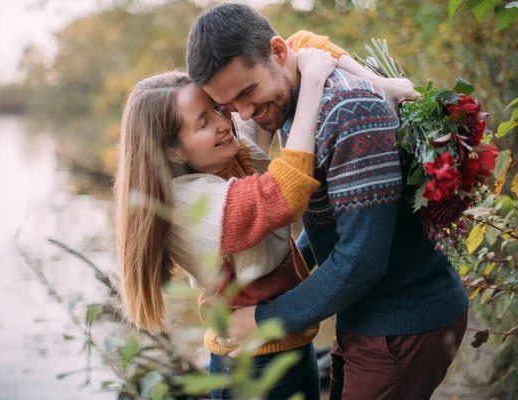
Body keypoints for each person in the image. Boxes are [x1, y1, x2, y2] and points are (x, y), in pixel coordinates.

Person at [186, 4, 469, 399]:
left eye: (247, 93)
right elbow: (336, 223)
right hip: (364, 313)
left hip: (402, 321)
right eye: (231, 106)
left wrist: (265, 319)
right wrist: (290, 280)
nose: (246, 113)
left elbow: (361, 261)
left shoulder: (348, 112)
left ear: (279, 53)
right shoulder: (292, 98)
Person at [115, 46, 341, 399]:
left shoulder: (225, 151)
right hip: (249, 368)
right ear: (171, 150)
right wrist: (311, 85)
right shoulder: (190, 204)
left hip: (290, 344)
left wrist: (382, 86)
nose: (224, 122)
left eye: (216, 109)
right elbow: (287, 191)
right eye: (203, 122)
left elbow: (288, 48)